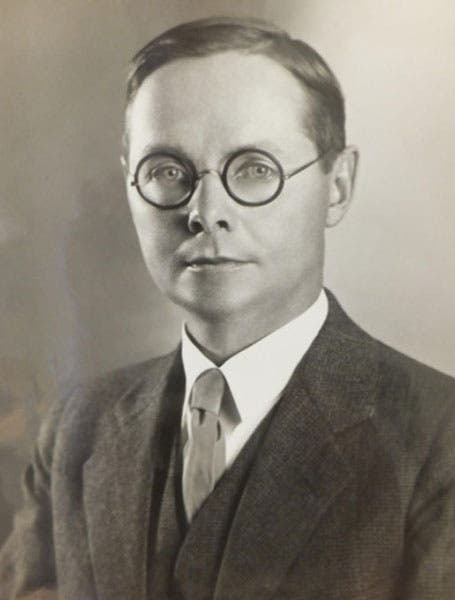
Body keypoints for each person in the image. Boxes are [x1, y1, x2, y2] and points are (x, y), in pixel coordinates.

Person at [1, 16, 454, 600]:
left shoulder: (439, 439)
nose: (204, 211)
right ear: (128, 186)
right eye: (167, 171)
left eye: (254, 170)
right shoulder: (77, 430)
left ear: (336, 186)